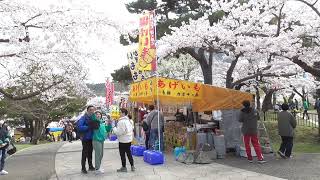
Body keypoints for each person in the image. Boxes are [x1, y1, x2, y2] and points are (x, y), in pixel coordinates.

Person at [113, 108, 135, 173]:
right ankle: (132, 166)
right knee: (129, 153)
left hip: (122, 140)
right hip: (128, 140)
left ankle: (124, 167)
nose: (119, 113)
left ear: (123, 113)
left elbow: (119, 132)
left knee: (122, 154)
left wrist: (114, 128)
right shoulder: (129, 120)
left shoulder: (121, 121)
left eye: (120, 112)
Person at [77, 105, 96, 174]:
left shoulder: (93, 118)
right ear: (87, 110)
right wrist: (88, 127)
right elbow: (79, 127)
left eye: (93, 110)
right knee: (84, 153)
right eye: (90, 110)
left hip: (92, 138)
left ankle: (90, 166)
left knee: (90, 152)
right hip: (85, 138)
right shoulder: (83, 117)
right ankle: (83, 168)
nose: (92, 111)